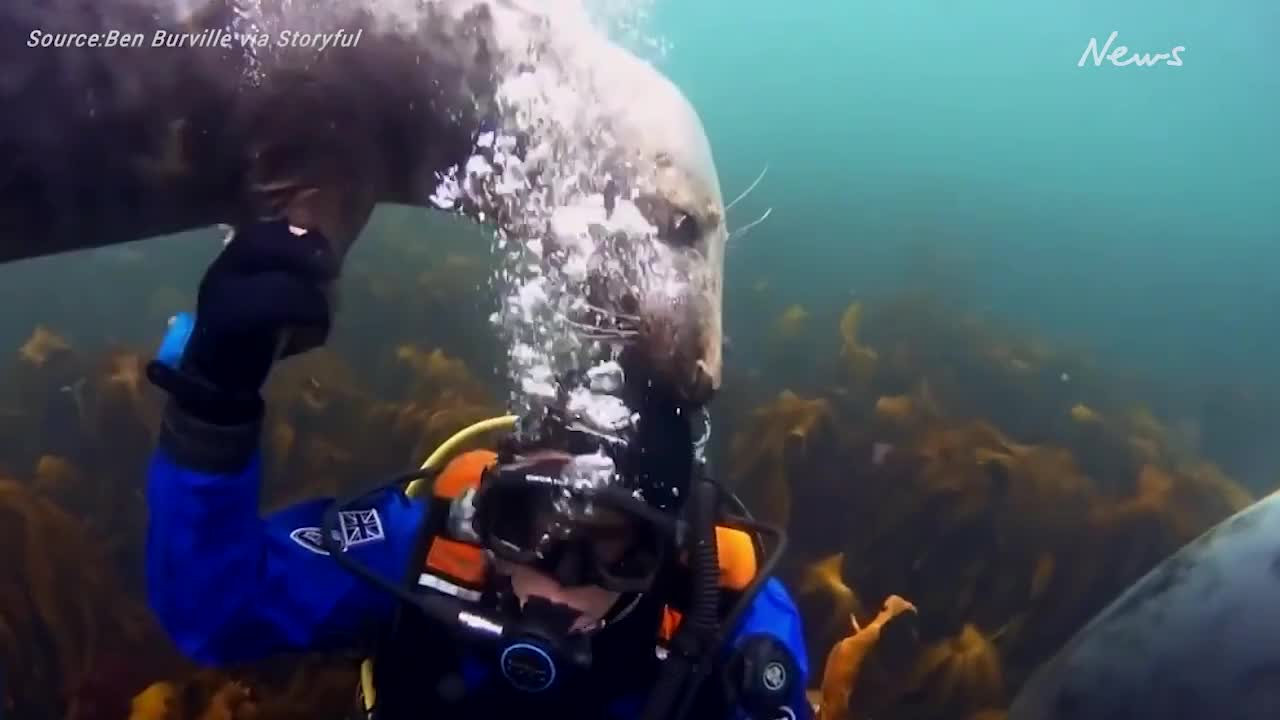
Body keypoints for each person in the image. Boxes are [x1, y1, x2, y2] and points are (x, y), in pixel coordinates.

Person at [144, 219, 813, 720]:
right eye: (526, 521)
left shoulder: (728, 615)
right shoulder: (432, 547)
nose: (556, 580)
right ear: (490, 502)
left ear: (664, 547)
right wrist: (214, 403)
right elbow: (218, 610)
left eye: (613, 546)